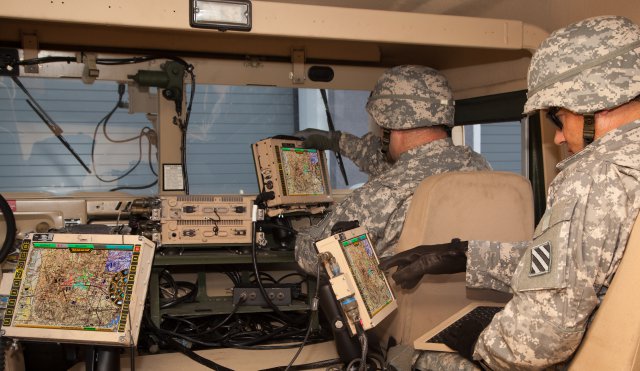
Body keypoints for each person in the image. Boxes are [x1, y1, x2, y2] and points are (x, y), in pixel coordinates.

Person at [380, 15, 640, 370]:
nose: (560, 137)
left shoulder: (596, 175)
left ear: (597, 104)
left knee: (409, 356)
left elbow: (535, 342)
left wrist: (475, 342)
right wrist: (466, 255)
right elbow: (578, 265)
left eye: (559, 118)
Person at [294, 65, 491, 275]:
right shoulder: (480, 168)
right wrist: (337, 141)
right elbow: (390, 162)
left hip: (406, 305)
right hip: (480, 302)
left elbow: (313, 256)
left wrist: (303, 233)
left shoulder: (381, 193)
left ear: (389, 123)